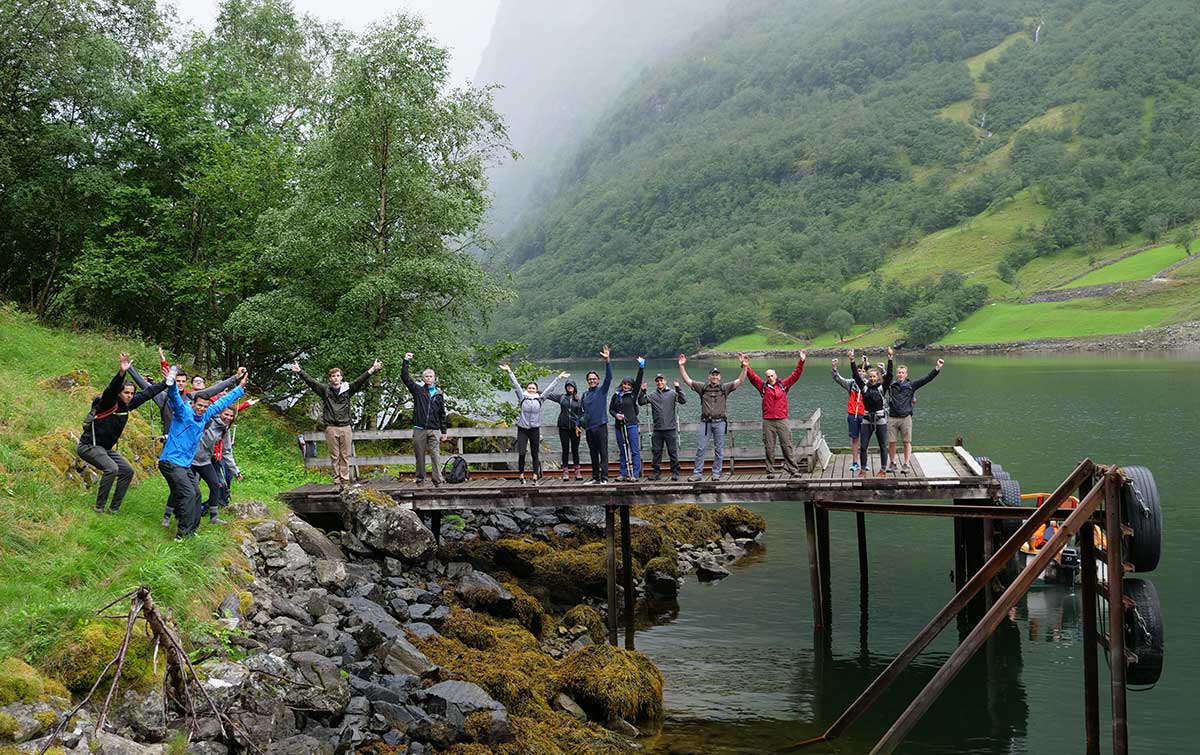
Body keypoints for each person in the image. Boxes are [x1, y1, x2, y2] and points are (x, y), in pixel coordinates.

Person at [158, 368, 246, 539]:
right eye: (199, 406)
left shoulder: (205, 416)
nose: (202, 409)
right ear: (193, 404)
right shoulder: (183, 412)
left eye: (205, 407)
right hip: (170, 461)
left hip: (184, 465)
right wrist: (171, 383)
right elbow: (175, 398)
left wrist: (240, 388)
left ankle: (192, 529)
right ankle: (182, 535)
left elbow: (221, 403)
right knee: (188, 494)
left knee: (196, 494)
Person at [75, 352, 168, 513]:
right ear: (119, 393)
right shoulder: (108, 402)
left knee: (127, 471)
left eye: (132, 393)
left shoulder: (128, 405)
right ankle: (99, 507)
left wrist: (167, 382)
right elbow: (111, 388)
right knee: (112, 469)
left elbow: (148, 393)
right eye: (126, 393)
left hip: (105, 449)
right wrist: (121, 372)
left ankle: (114, 509)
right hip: (89, 446)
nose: (130, 396)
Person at [291, 359, 380, 486]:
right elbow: (311, 382)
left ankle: (345, 478)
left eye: (338, 375)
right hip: (331, 427)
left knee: (345, 455)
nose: (336, 378)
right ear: (330, 378)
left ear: (341, 377)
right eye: (333, 376)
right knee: (334, 455)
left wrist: (372, 369)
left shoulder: (348, 389)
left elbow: (360, 380)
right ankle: (337, 479)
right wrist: (299, 371)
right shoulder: (325, 390)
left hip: (345, 427)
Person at [679, 352, 747, 481]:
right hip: (705, 423)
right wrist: (682, 366)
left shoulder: (724, 388)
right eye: (712, 375)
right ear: (709, 376)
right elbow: (687, 380)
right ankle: (697, 474)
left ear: (719, 377)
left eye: (716, 375)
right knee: (701, 448)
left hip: (720, 422)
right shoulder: (702, 387)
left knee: (719, 450)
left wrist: (744, 367)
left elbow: (741, 380)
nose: (714, 377)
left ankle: (716, 473)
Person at [501, 364, 566, 484]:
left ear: (536, 390)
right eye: (529, 388)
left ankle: (535, 476)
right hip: (523, 429)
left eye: (533, 388)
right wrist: (510, 371)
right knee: (521, 453)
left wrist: (558, 378)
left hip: (534, 429)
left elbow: (549, 389)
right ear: (527, 389)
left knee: (535, 454)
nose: (531, 390)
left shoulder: (540, 399)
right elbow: (516, 385)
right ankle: (521, 475)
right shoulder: (523, 398)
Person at [745, 352, 806, 479]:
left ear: (776, 375)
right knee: (769, 447)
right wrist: (746, 366)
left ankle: (794, 470)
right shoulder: (763, 387)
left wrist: (801, 361)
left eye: (772, 375)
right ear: (766, 377)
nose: (770, 378)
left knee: (787, 445)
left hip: (782, 420)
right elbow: (753, 377)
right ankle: (770, 471)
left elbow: (795, 375)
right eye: (768, 376)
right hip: (768, 421)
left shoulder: (783, 386)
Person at [886, 348, 944, 475]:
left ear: (906, 374)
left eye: (903, 373)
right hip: (892, 417)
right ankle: (892, 463)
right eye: (899, 373)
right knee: (891, 442)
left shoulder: (911, 385)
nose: (900, 374)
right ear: (897, 374)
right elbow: (888, 374)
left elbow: (927, 378)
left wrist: (937, 368)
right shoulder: (891, 386)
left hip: (906, 417)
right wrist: (890, 358)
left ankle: (906, 464)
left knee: (907, 442)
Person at [402, 353, 449, 486]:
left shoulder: (439, 394)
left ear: (434, 378)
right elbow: (405, 378)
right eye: (426, 376)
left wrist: (444, 431)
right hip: (419, 429)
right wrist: (406, 361)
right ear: (423, 378)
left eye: (431, 376)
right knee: (420, 456)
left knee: (435, 456)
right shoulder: (418, 391)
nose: (428, 378)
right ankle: (420, 480)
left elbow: (442, 413)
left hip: (434, 429)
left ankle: (438, 480)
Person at [850, 349, 891, 478]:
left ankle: (883, 470)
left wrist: (890, 358)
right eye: (870, 377)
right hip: (867, 419)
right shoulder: (864, 387)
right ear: (868, 377)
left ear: (878, 377)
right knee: (863, 446)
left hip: (880, 419)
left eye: (874, 377)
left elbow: (889, 376)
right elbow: (856, 376)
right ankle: (863, 470)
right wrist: (852, 360)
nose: (872, 379)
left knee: (883, 446)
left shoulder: (882, 388)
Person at [639, 373, 687, 481]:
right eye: (658, 381)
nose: (660, 382)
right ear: (656, 382)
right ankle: (656, 473)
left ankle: (675, 473)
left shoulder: (673, 393)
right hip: (657, 429)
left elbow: (683, 400)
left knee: (672, 452)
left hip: (670, 428)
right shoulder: (652, 395)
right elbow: (641, 402)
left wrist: (678, 388)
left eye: (661, 380)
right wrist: (642, 391)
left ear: (665, 381)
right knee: (656, 452)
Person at [608, 358, 646, 482]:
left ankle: (635, 473)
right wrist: (616, 416)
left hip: (631, 425)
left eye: (628, 384)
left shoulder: (633, 394)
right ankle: (623, 473)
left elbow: (639, 381)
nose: (626, 386)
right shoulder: (616, 395)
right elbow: (611, 409)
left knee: (634, 450)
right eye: (624, 384)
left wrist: (641, 367)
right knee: (623, 449)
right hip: (619, 426)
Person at [580, 346, 613, 485]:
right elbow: (581, 412)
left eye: (594, 379)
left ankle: (604, 478)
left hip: (601, 426)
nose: (592, 381)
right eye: (590, 379)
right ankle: (595, 478)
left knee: (603, 453)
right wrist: (578, 424)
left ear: (598, 380)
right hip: (589, 428)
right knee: (593, 454)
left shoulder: (602, 391)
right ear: (587, 381)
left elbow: (609, 377)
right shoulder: (585, 395)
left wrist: (607, 361)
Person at [832, 353, 868, 474]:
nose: (860, 373)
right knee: (854, 439)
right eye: (858, 371)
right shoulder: (851, 383)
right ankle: (854, 462)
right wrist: (834, 368)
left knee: (865, 440)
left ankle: (864, 463)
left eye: (862, 371)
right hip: (853, 414)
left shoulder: (869, 384)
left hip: (865, 414)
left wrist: (866, 362)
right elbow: (838, 379)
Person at [544, 378, 584, 480]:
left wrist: (580, 425)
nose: (569, 387)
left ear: (575, 387)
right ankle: (565, 472)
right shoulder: (561, 397)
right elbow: (547, 394)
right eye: (568, 386)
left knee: (575, 450)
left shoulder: (579, 400)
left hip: (576, 428)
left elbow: (583, 414)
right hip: (563, 427)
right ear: (566, 387)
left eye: (571, 385)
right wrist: (535, 391)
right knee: (565, 450)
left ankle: (577, 471)